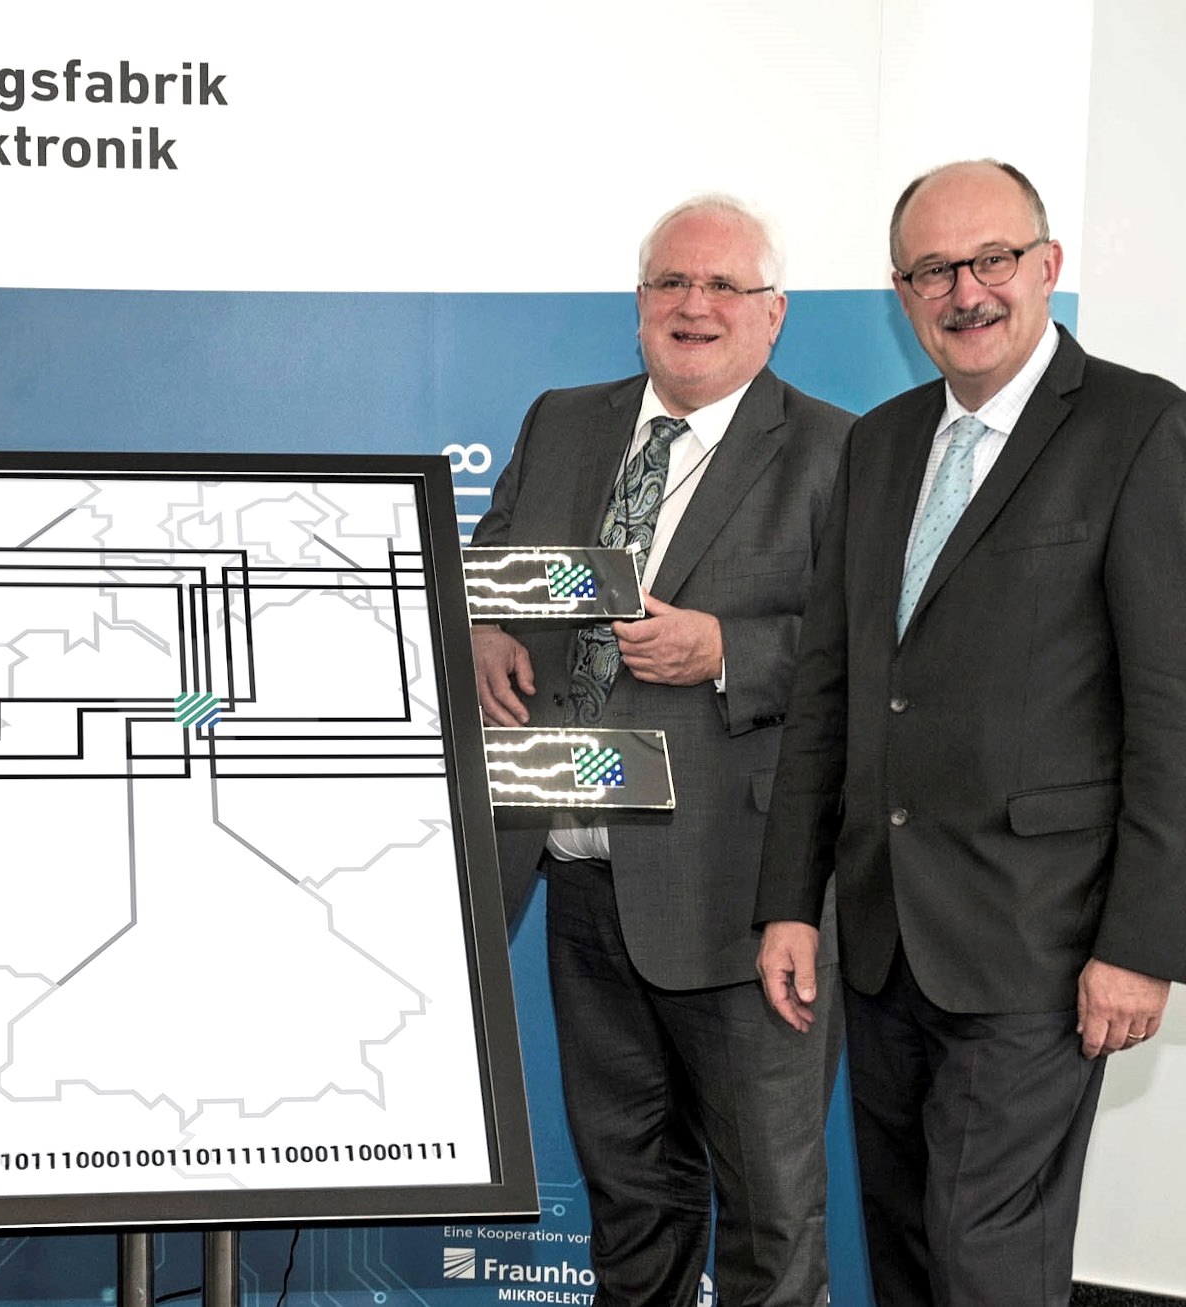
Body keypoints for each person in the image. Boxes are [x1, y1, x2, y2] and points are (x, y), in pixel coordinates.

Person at [755, 159, 1186, 1306]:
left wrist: (1141, 941)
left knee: (983, 1255)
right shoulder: (878, 441)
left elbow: (1171, 706)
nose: (965, 290)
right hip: (884, 935)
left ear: (1046, 265)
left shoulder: (1141, 426)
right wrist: (789, 899)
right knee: (904, 1247)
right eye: (932, 269)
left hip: (1041, 941)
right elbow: (830, 686)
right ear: (900, 292)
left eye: (990, 258)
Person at [473, 195, 851, 1306]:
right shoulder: (561, 421)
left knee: (769, 1212)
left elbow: (873, 650)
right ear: (638, 303)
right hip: (579, 879)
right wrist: (483, 624)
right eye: (671, 282)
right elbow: (489, 556)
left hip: (744, 895)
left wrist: (729, 649)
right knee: (629, 1202)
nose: (694, 305)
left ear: (773, 312)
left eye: (724, 285)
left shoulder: (838, 449)